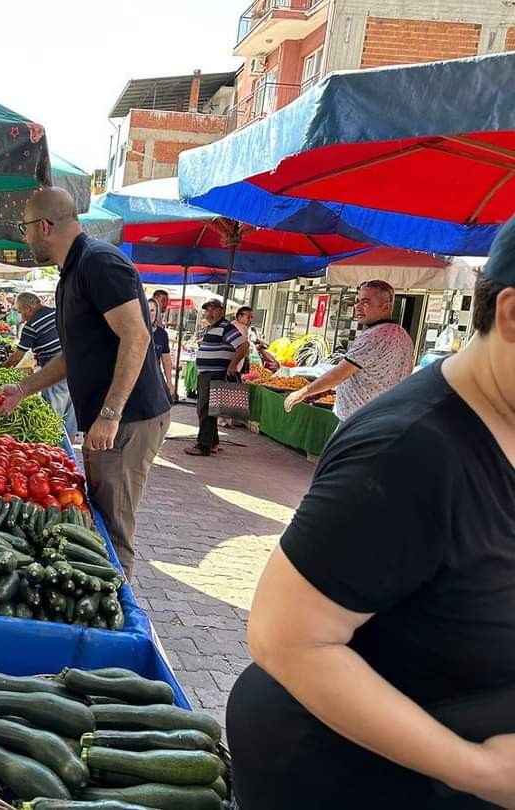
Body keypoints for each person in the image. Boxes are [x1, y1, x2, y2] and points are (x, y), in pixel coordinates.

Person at [227, 215, 515, 810]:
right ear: (511, 315)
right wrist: (477, 768)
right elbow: (287, 641)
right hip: (345, 777)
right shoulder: (406, 452)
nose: (361, 304)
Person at [0, 188, 172, 578]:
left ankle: (117, 620)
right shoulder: (72, 273)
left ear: (44, 227)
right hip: (112, 419)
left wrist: (110, 413)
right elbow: (77, 354)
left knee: (111, 529)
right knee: (101, 520)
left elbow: (136, 336)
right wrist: (24, 389)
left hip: (130, 418)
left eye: (24, 229)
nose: (24, 238)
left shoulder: (98, 263)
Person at [284, 279, 414, 420]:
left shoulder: (374, 336)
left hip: (359, 422)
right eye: (357, 301)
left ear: (386, 307)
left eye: (365, 302)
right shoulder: (404, 336)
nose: (357, 307)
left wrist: (302, 392)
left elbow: (338, 374)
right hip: (382, 419)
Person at [4, 291, 77, 440]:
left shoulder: (31, 326)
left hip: (55, 373)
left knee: (50, 417)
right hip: (78, 369)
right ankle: (67, 453)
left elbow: (16, 358)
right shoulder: (58, 312)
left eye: (20, 311)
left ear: (28, 308)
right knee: (71, 418)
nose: (21, 316)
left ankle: (53, 449)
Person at [185, 299, 247, 457]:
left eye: (213, 309)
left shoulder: (226, 327)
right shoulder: (212, 328)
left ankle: (203, 446)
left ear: (221, 311)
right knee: (209, 409)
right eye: (207, 310)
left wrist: (233, 365)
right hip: (207, 373)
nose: (210, 313)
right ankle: (212, 442)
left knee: (205, 409)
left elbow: (243, 346)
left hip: (215, 374)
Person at [148, 296, 174, 401]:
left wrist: (169, 382)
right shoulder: (137, 331)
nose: (150, 313)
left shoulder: (162, 334)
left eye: (152, 310)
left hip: (155, 376)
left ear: (157, 312)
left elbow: (166, 359)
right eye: (147, 310)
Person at [231, 306, 254, 374]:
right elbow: (243, 346)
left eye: (251, 317)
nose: (250, 320)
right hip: (235, 362)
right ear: (240, 317)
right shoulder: (242, 327)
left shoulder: (232, 324)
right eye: (248, 317)